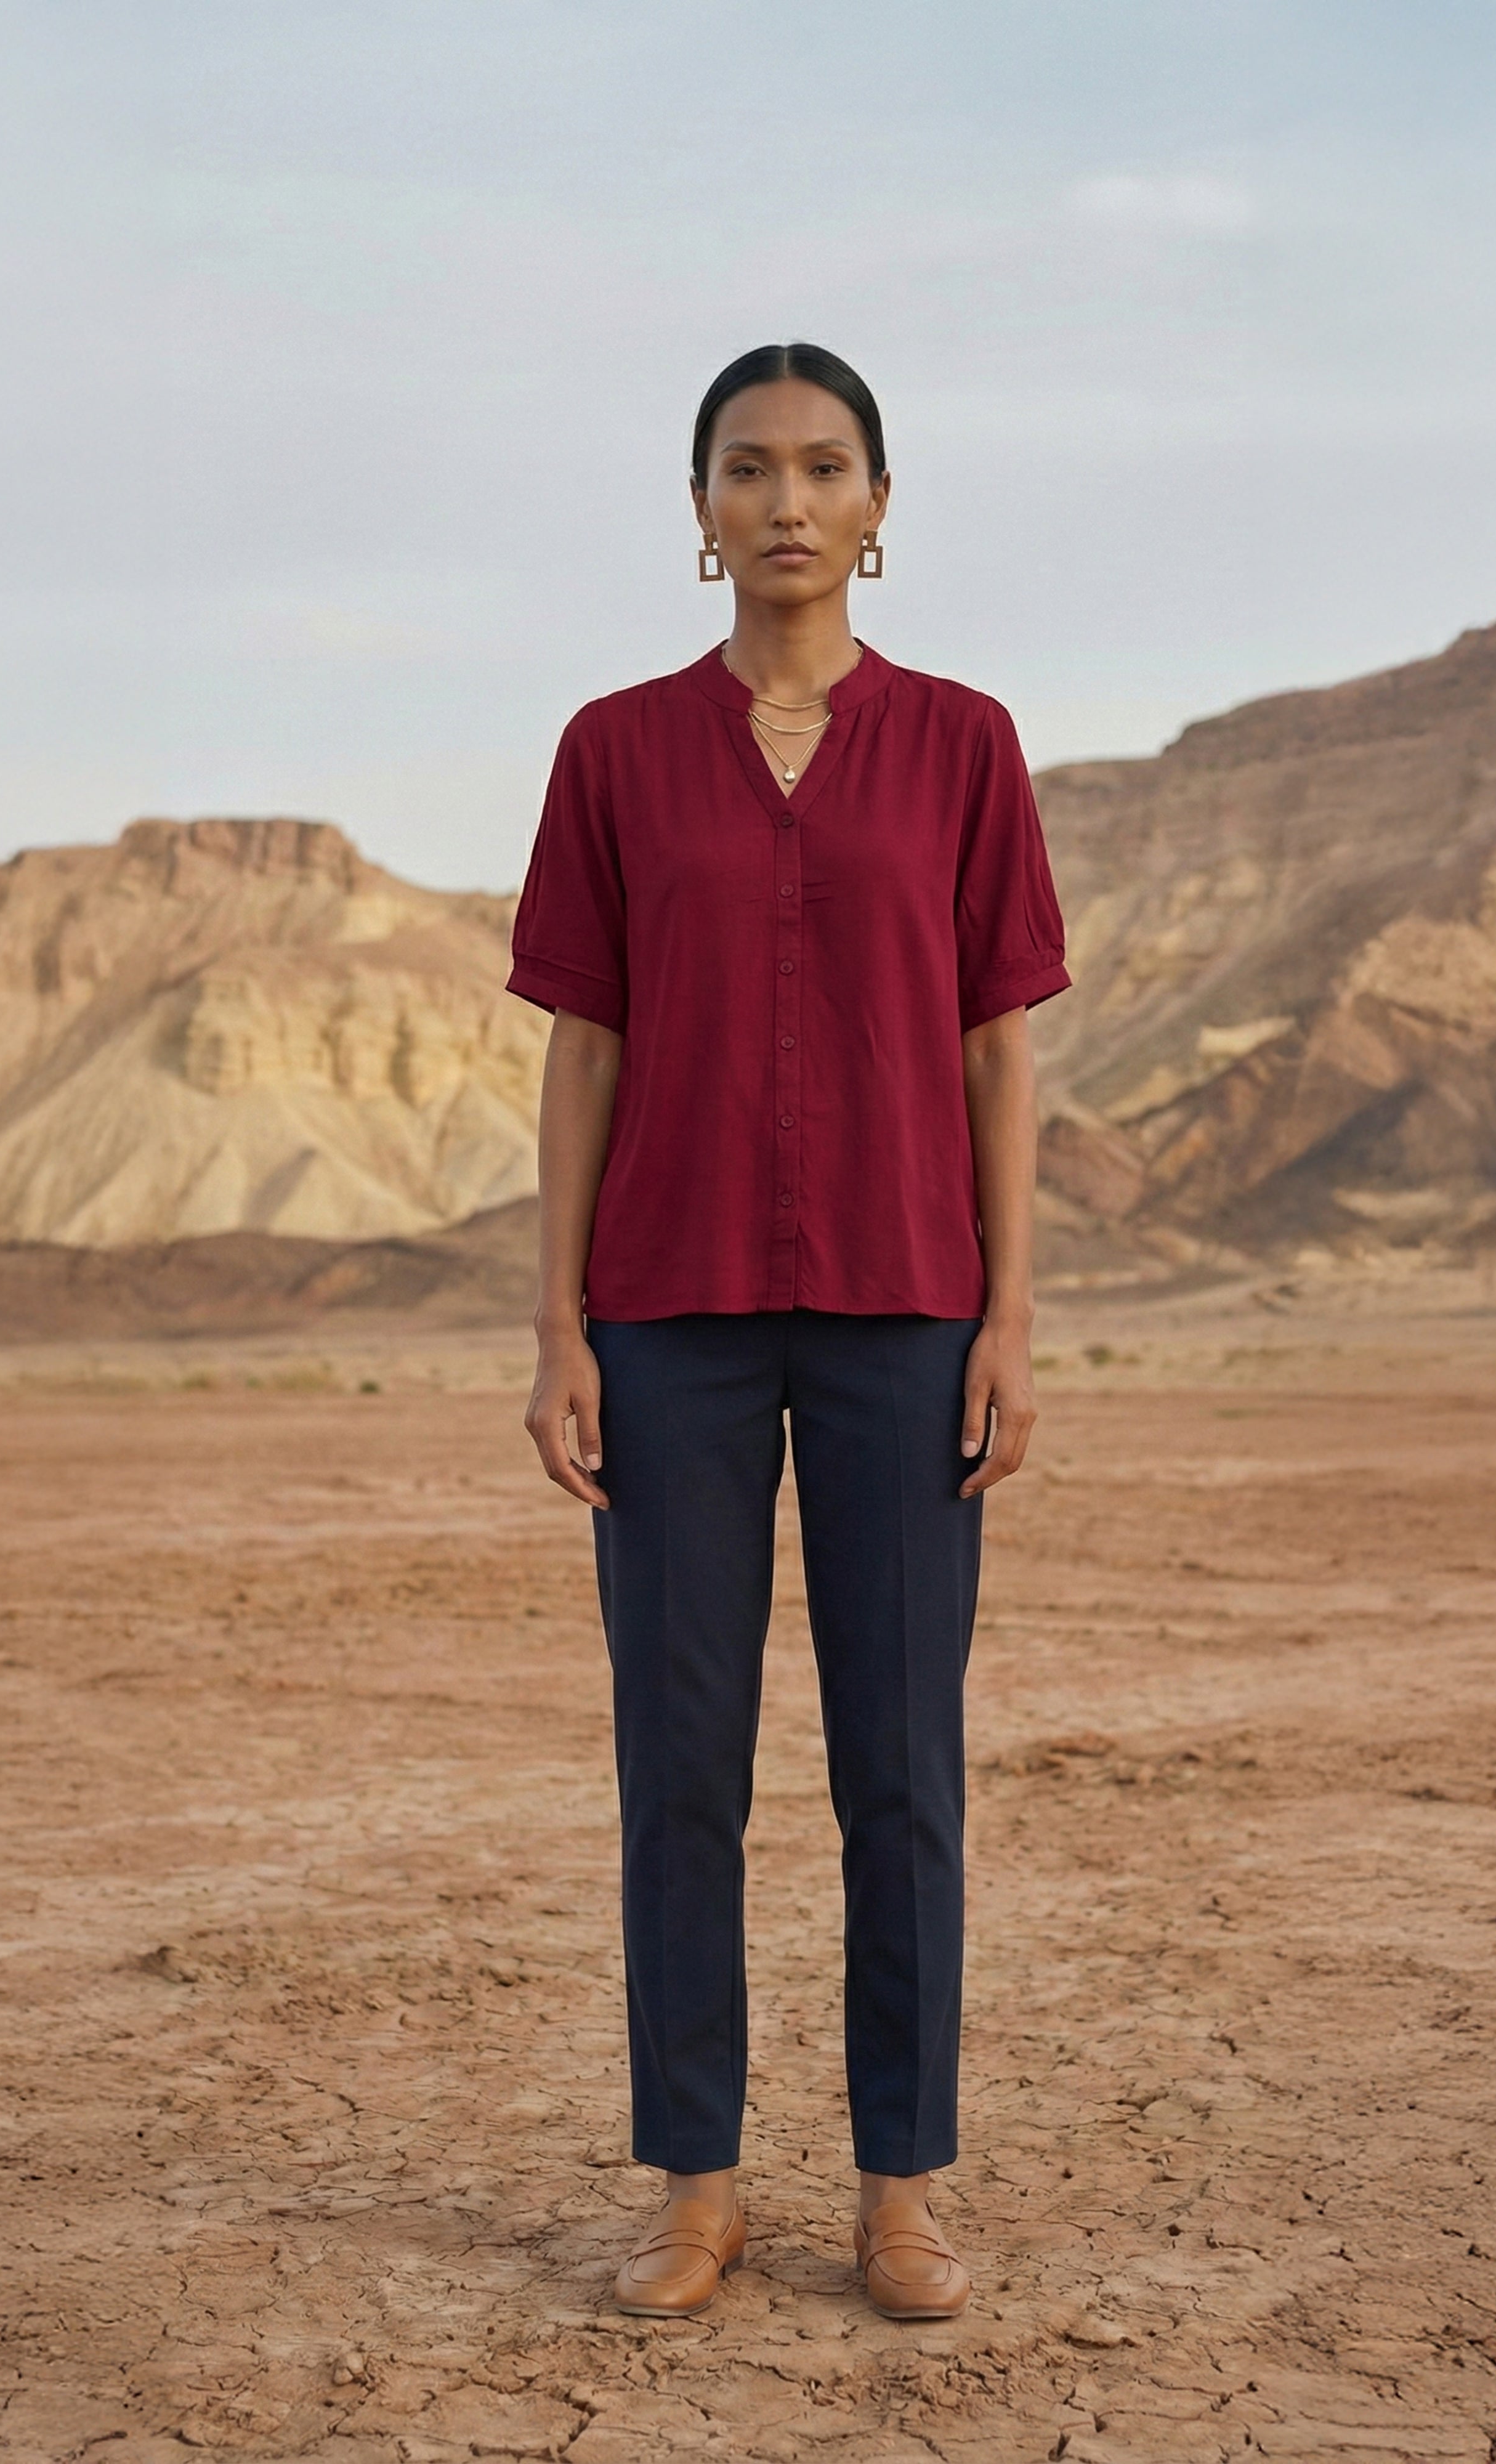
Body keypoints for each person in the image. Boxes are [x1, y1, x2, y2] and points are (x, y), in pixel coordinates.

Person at [506, 341, 1069, 2323]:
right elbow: (585, 1043)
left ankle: (902, 2189)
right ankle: (697, 2184)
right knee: (681, 1764)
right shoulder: (614, 749)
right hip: (665, 1319)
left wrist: (1012, 1310)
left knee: (900, 1764)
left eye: (826, 467)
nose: (788, 502)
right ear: (700, 511)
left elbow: (1000, 1045)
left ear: (883, 508)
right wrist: (559, 1323)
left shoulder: (964, 747)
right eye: (747, 470)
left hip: (911, 1311)